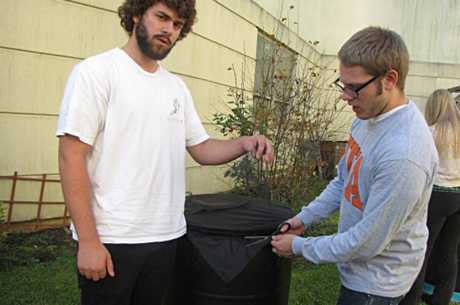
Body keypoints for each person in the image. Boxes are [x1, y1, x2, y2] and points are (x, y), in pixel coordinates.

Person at [56, 1, 273, 304]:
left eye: (178, 24)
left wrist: (244, 143)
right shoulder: (96, 73)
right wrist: (89, 241)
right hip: (112, 238)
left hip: (166, 237)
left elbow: (202, 148)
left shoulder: (176, 88)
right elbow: (71, 156)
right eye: (162, 17)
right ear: (135, 15)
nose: (169, 29)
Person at [271, 26, 438, 305]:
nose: (345, 96)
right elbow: (343, 182)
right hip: (357, 267)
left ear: (389, 79)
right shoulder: (365, 117)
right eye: (342, 84)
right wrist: (303, 219)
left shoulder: (404, 154)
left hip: (377, 284)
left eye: (354, 88)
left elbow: (367, 243)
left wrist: (300, 247)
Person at [400, 89, 460, 305]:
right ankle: (440, 300)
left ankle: (411, 299)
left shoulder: (428, 132)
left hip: (437, 195)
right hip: (458, 197)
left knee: (421, 249)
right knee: (449, 251)